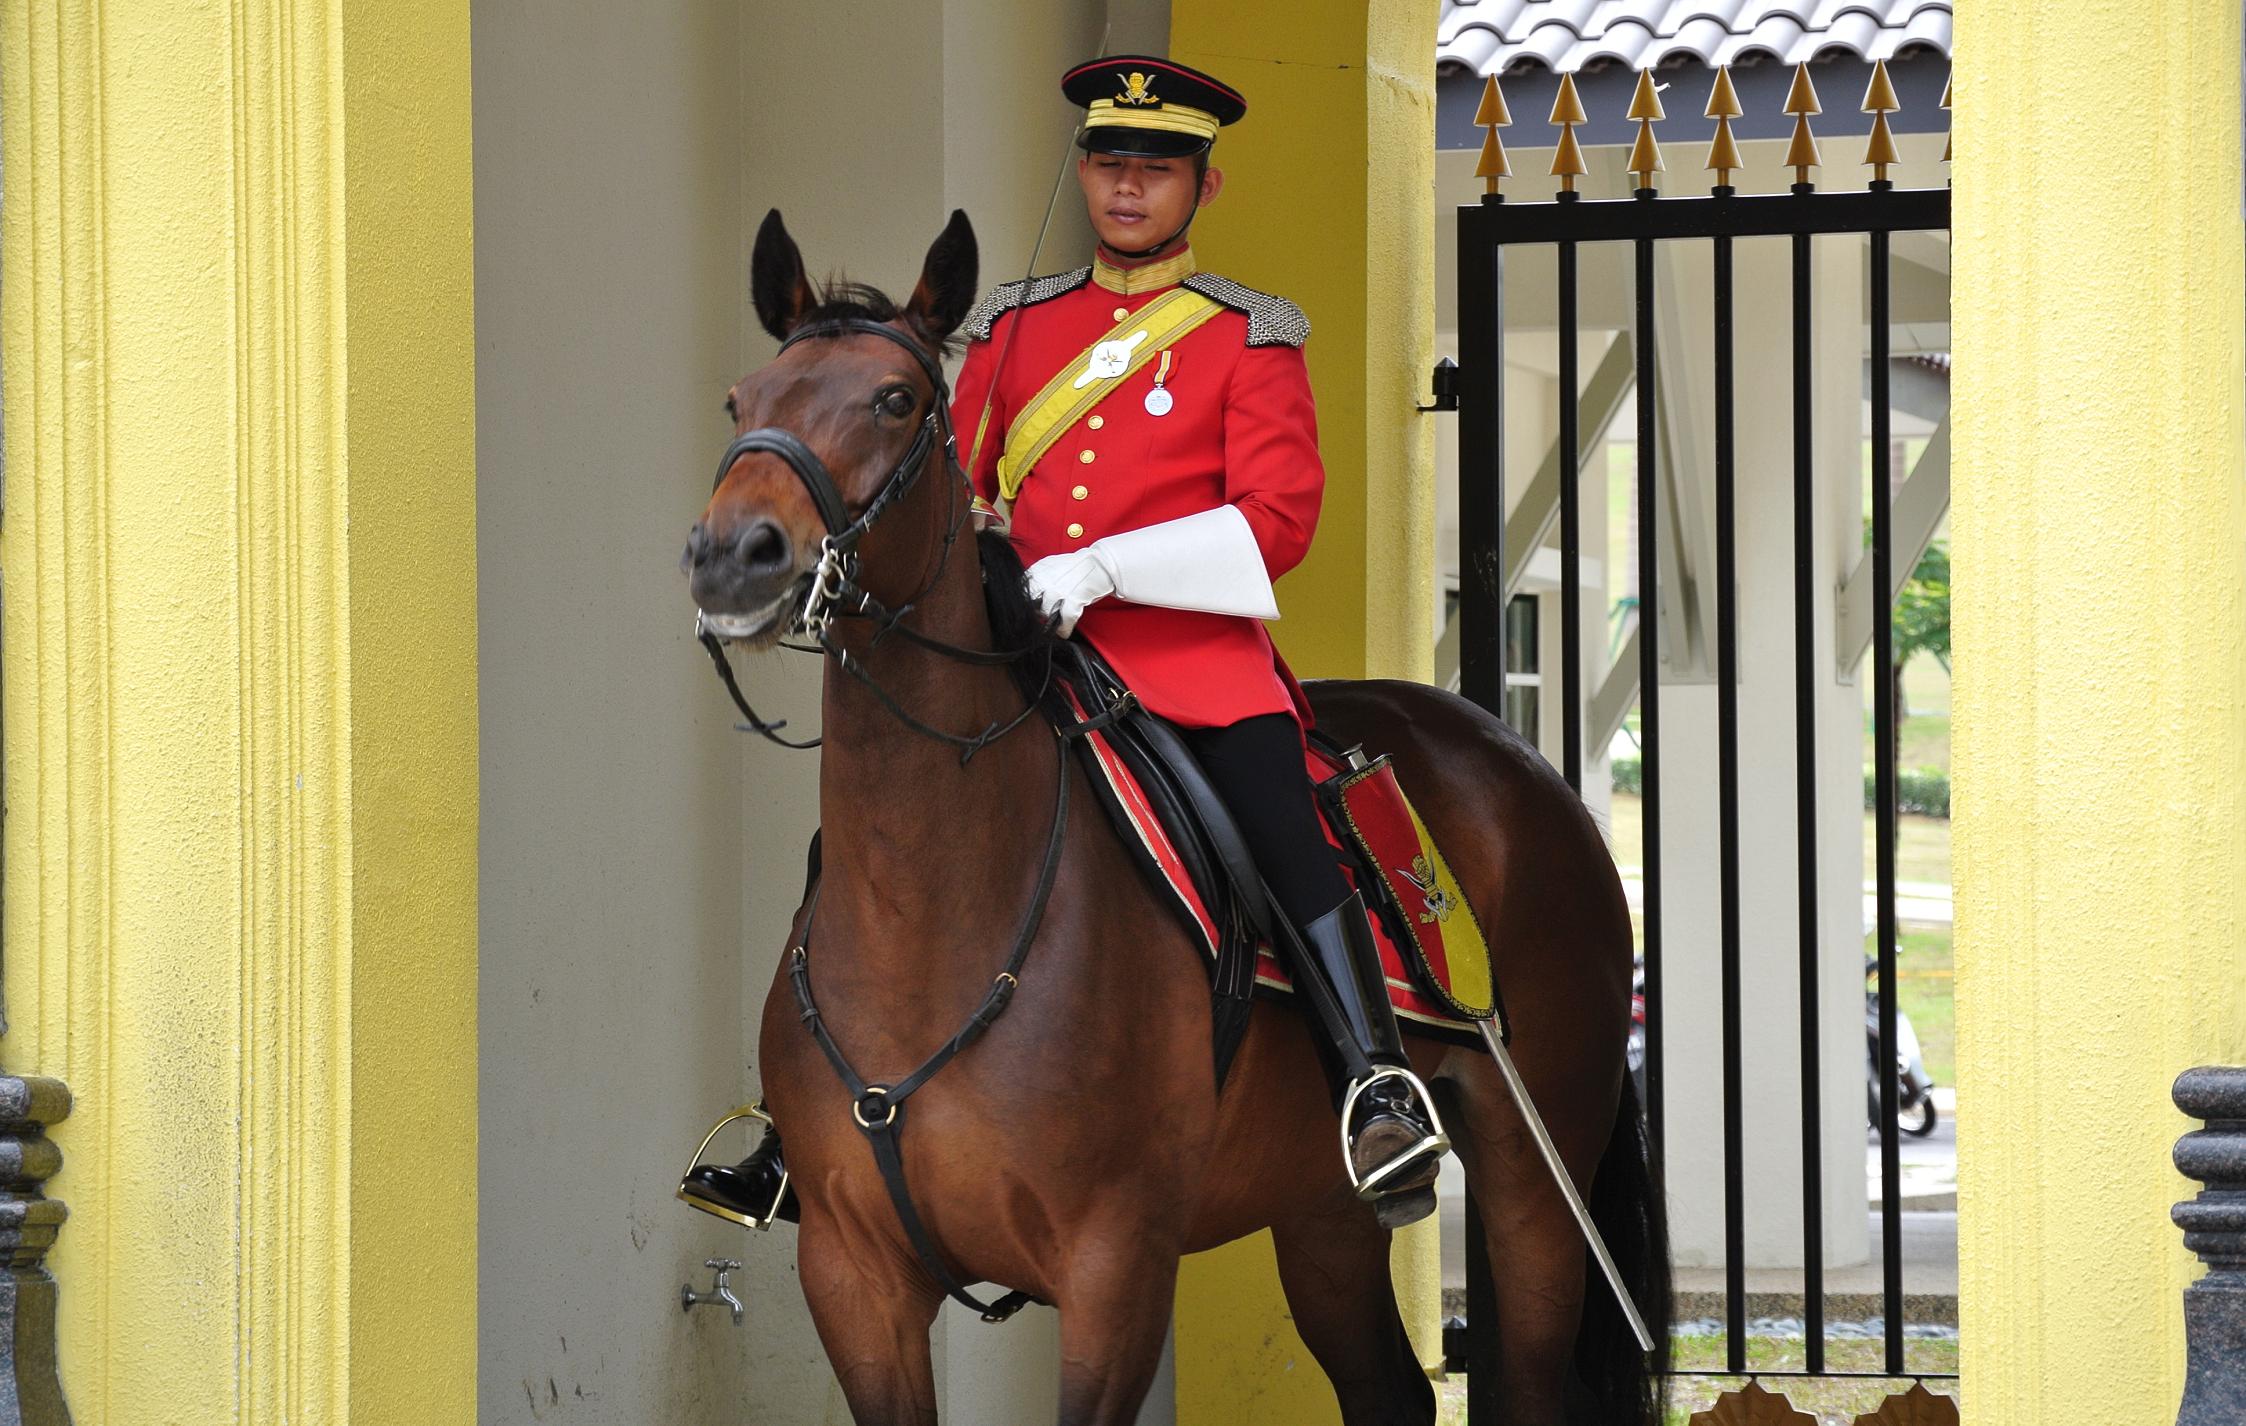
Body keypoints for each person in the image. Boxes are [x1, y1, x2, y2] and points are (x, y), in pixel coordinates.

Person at [682, 53, 1447, 1234]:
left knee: (1283, 829)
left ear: (1205, 186)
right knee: (865, 838)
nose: (1127, 188)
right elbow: (962, 484)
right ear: (1082, 173)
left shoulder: (1248, 336)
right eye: (1108, 163)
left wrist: (1106, 566)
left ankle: (1371, 1079)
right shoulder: (1012, 329)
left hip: (1188, 669)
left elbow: (1275, 524)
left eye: (1157, 168)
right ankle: (799, 1121)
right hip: (1028, 657)